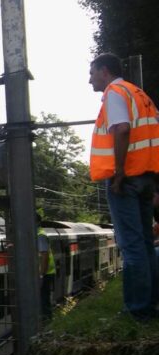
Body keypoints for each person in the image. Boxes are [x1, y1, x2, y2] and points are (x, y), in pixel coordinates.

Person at [88, 53, 159, 319]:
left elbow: (121, 128)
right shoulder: (141, 95)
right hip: (146, 177)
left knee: (131, 246)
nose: (89, 79)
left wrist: (118, 173)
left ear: (104, 71)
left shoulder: (115, 92)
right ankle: (150, 304)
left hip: (126, 179)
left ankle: (137, 310)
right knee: (143, 241)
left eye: (92, 73)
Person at [37, 214, 56, 320]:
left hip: (45, 273)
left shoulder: (40, 235)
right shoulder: (38, 234)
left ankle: (46, 323)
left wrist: (41, 274)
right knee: (44, 299)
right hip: (45, 272)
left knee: (44, 300)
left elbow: (44, 256)